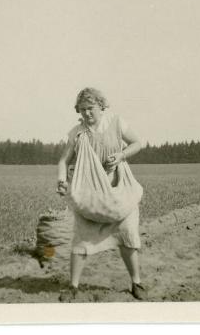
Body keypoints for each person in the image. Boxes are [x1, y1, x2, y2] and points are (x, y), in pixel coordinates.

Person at [56, 87, 147, 301]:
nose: (87, 113)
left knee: (128, 235)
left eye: (91, 108)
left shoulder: (116, 123)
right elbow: (63, 161)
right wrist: (61, 181)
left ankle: (136, 283)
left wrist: (121, 155)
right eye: (82, 109)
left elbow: (138, 143)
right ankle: (73, 287)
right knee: (81, 239)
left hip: (120, 193)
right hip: (90, 196)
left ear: (101, 106)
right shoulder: (77, 133)